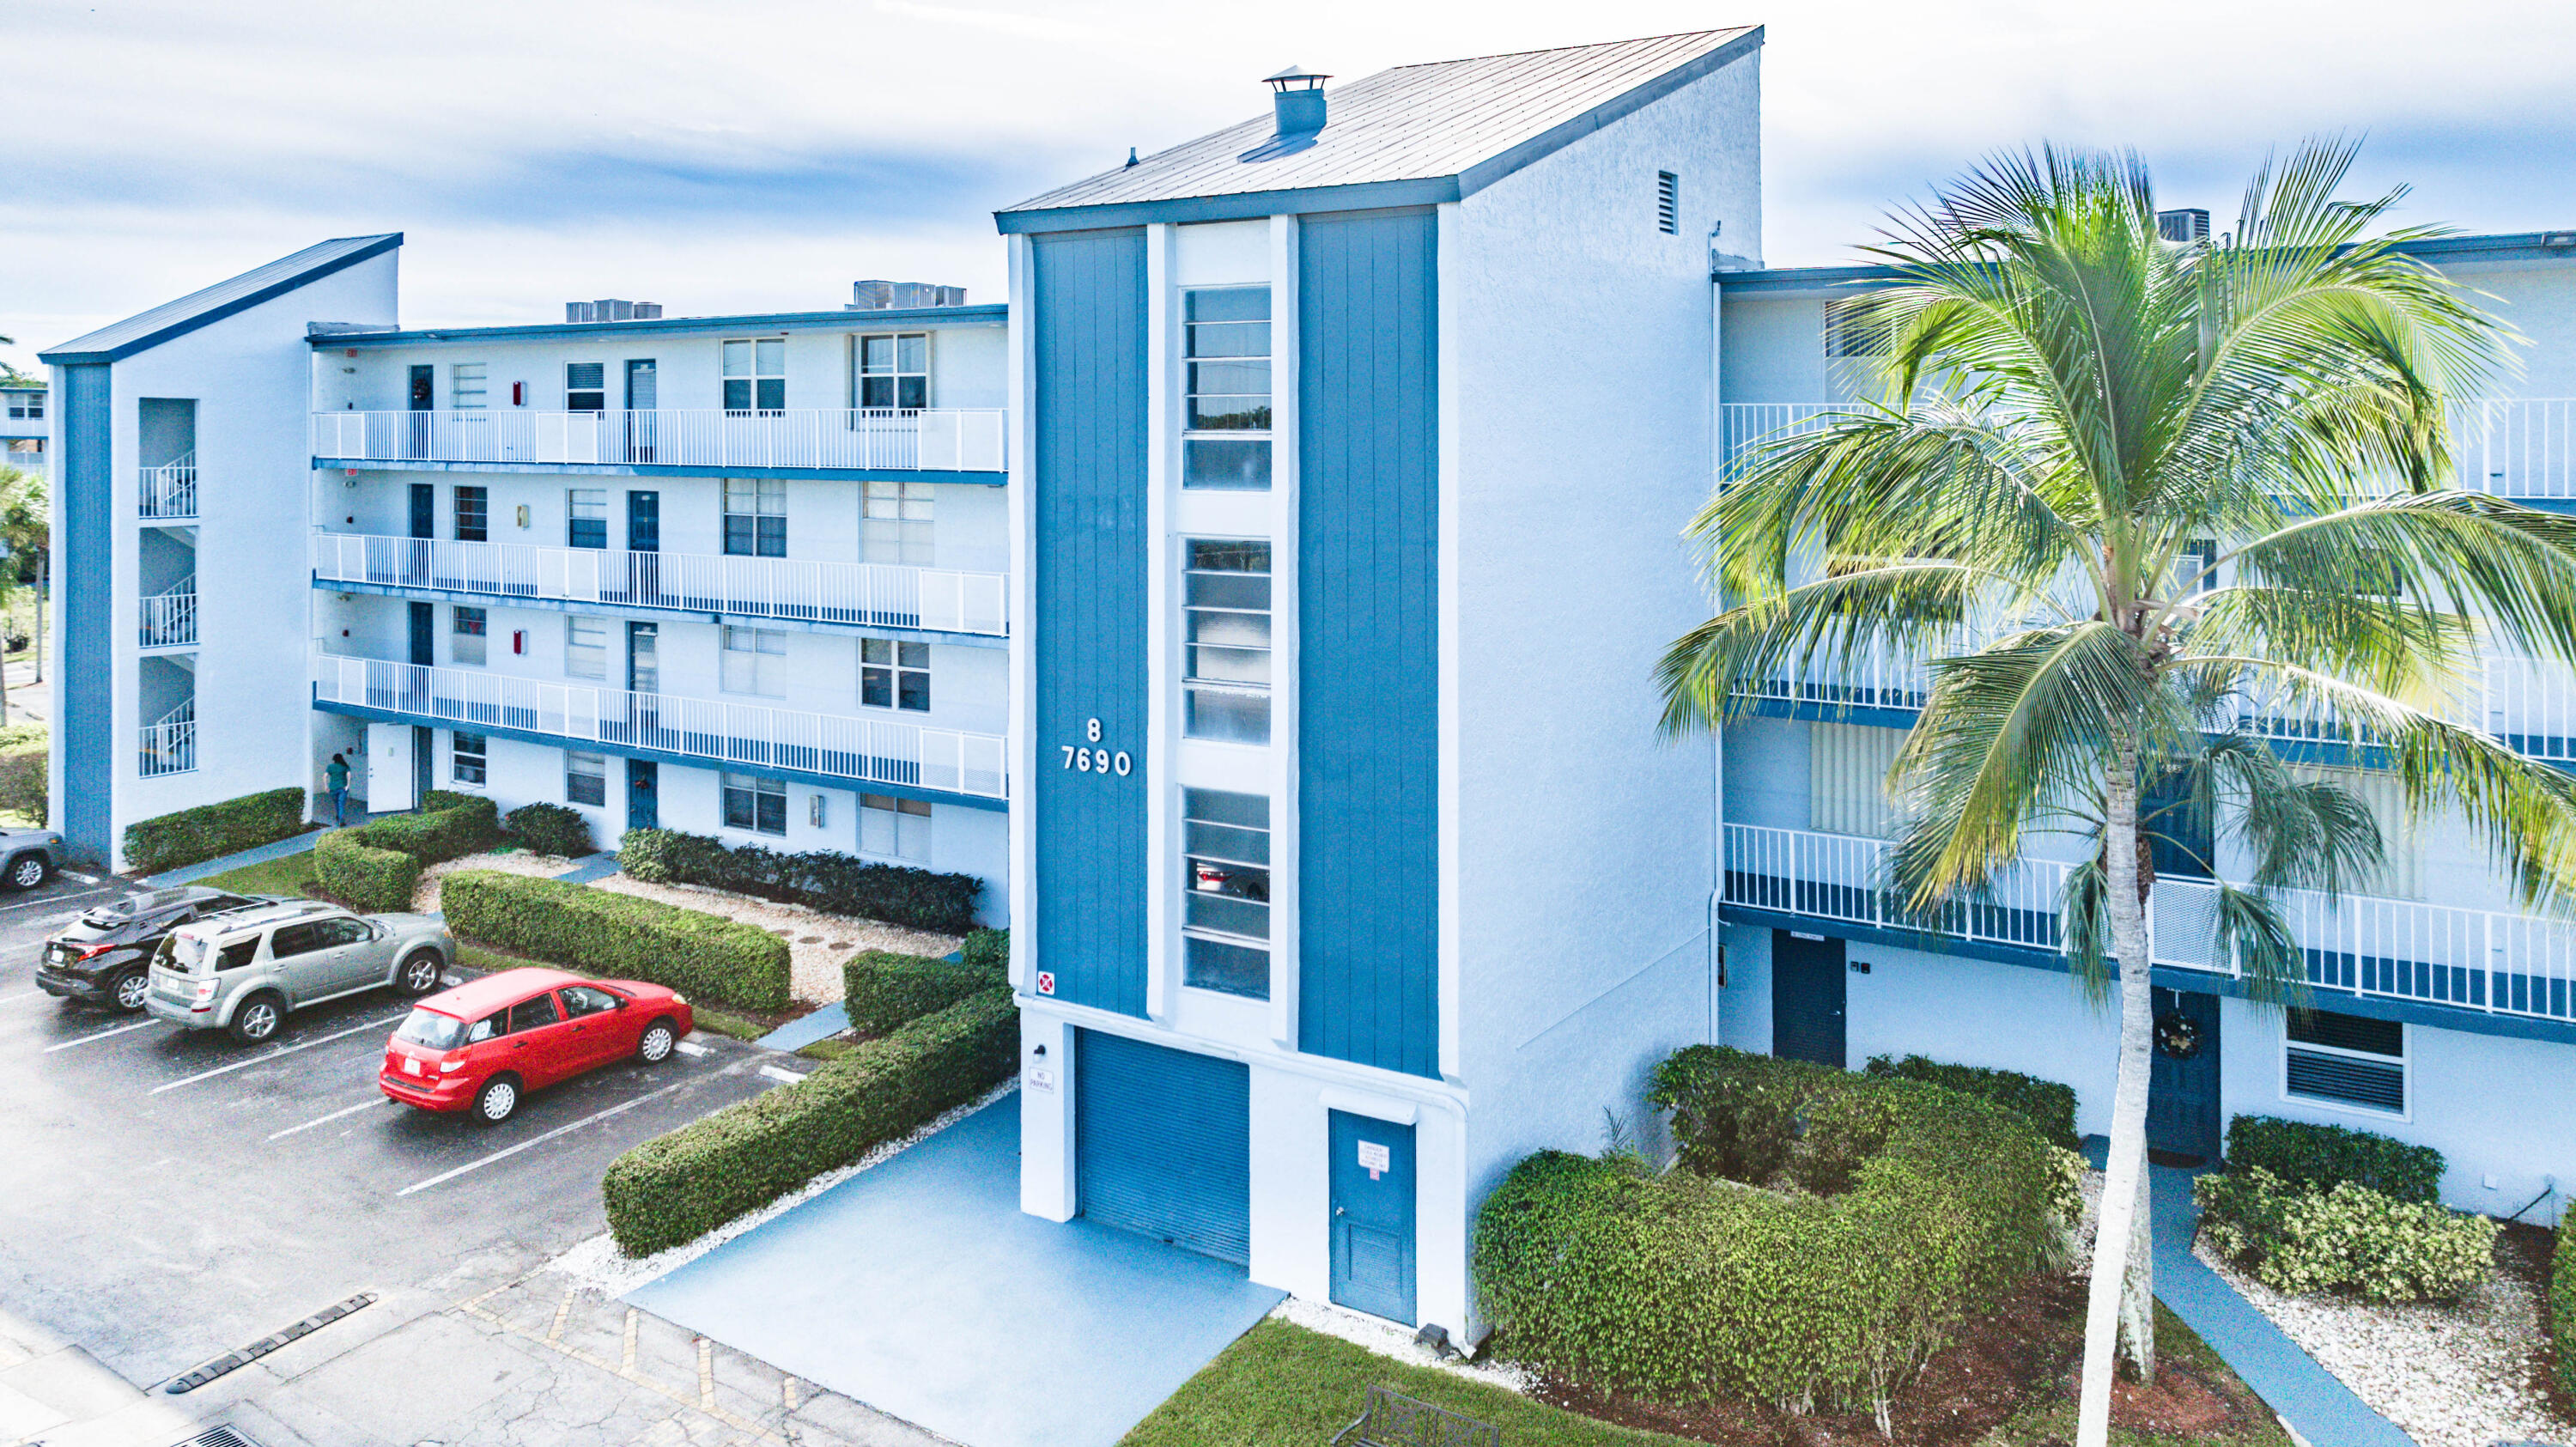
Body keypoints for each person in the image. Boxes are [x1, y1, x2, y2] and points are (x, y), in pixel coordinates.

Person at [325, 752, 350, 828]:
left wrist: (326, 786)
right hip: (342, 788)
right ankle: (341, 821)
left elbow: (325, 776)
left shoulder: (330, 766)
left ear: (334, 759)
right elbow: (349, 775)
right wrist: (348, 785)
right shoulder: (345, 766)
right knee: (341, 804)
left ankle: (338, 815)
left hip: (332, 788)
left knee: (336, 803)